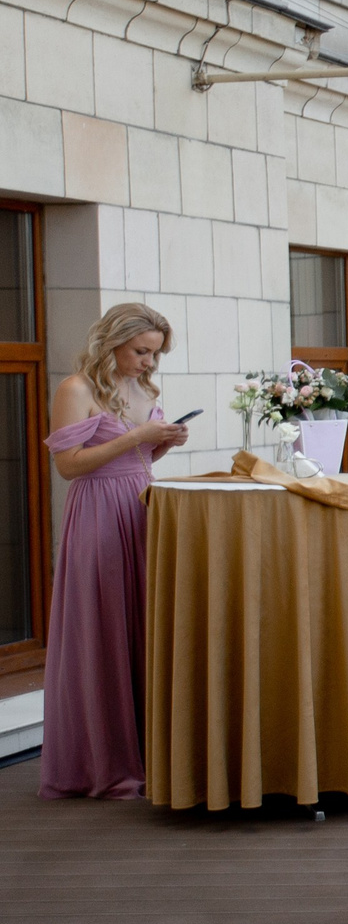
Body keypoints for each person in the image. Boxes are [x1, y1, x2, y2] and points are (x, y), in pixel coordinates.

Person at [41, 303, 188, 800]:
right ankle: (103, 762)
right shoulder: (76, 389)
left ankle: (150, 752)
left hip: (142, 509)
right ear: (113, 342)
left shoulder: (143, 389)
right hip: (98, 514)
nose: (148, 363)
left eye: (154, 354)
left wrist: (161, 442)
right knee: (102, 629)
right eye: (140, 352)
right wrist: (139, 437)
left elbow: (138, 456)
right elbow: (68, 466)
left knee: (141, 629)